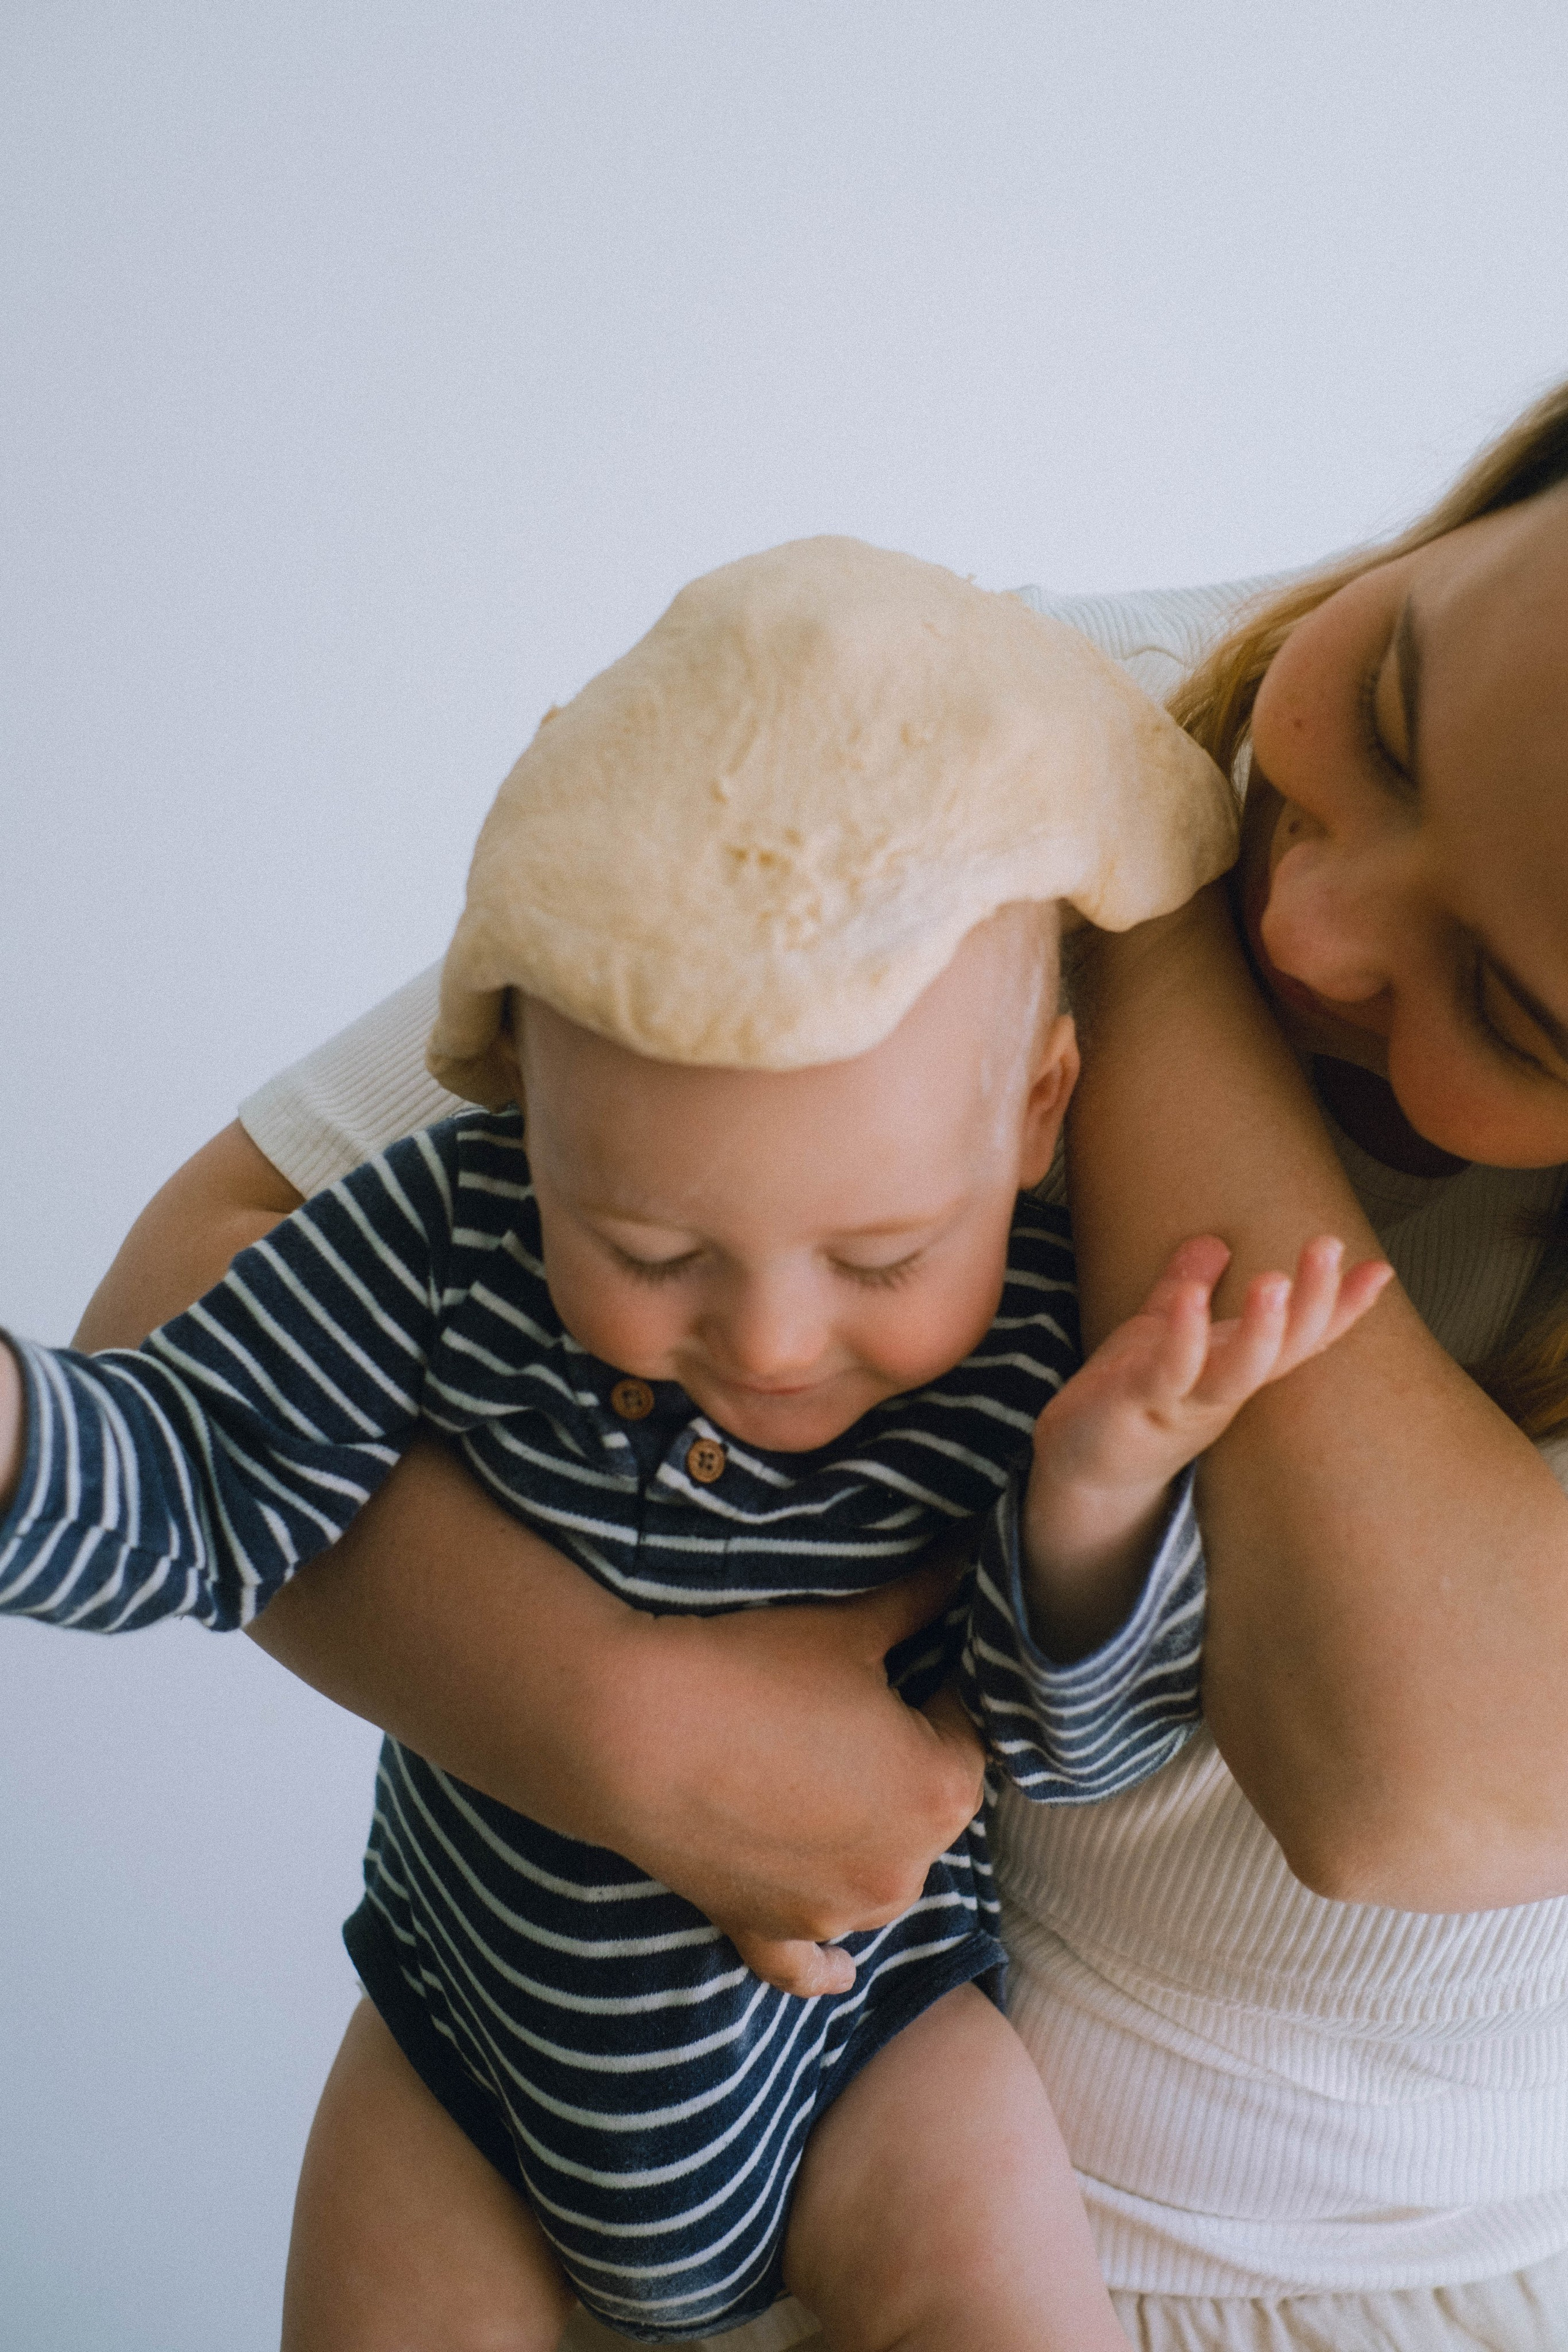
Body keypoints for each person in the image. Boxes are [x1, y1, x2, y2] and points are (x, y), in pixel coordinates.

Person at [64, 381, 1568, 2350]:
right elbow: (178, 1335)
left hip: (1212, 2230)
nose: (1309, 914)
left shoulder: (1072, 808)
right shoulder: (983, 727)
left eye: (1511, 1008)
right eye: (1382, 708)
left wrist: (1137, 926)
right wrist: (624, 1724)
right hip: (558, 2060)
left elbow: (1419, 1781)